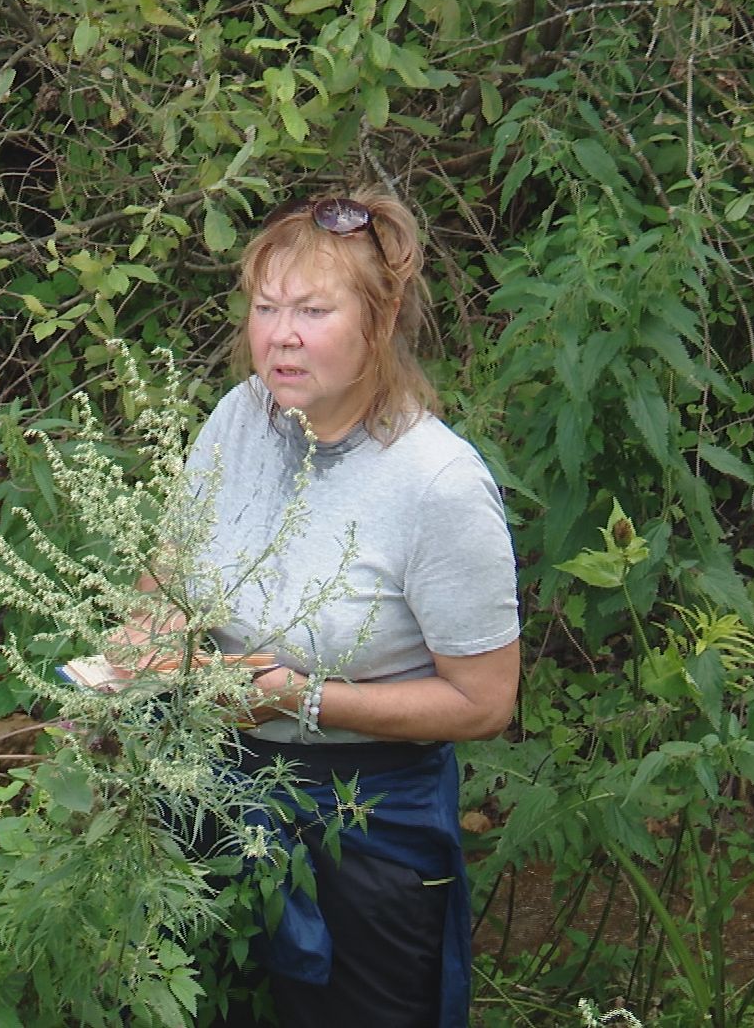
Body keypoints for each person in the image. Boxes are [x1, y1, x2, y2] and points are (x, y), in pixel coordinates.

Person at [159, 188, 520, 1027]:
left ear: (379, 321)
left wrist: (305, 698)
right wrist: (128, 660)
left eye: (313, 310)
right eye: (266, 306)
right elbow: (168, 575)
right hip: (217, 792)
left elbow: (486, 701)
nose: (280, 334)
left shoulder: (438, 483)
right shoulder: (240, 418)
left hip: (369, 826)